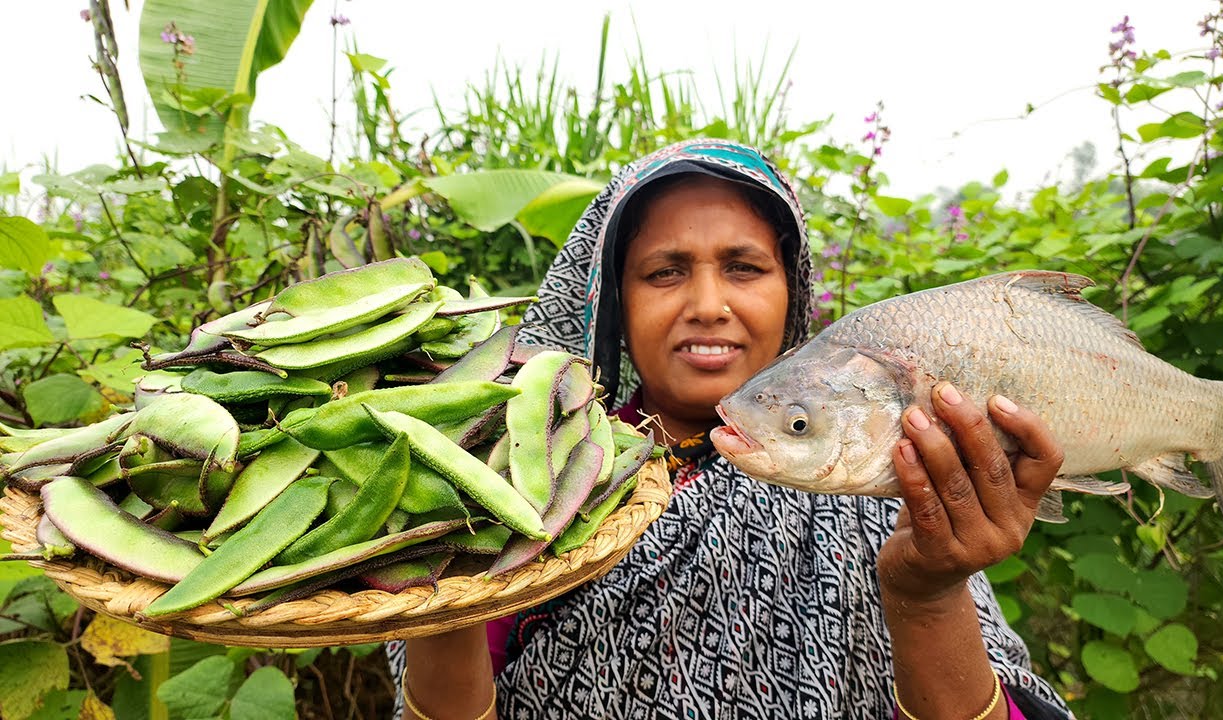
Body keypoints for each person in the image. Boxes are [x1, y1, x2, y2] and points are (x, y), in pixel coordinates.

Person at [386, 139, 1071, 720]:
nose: (709, 305)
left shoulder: (889, 476)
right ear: (616, 301)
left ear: (791, 289)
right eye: (665, 272)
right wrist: (446, 581)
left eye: (744, 268)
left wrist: (928, 596)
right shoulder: (532, 479)